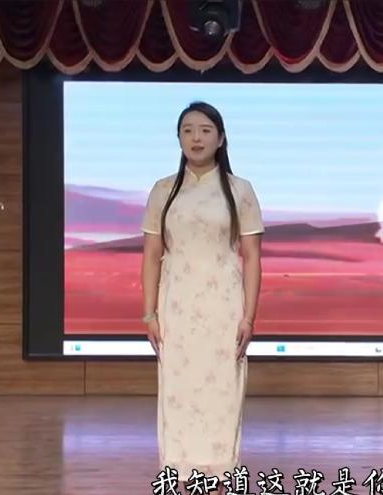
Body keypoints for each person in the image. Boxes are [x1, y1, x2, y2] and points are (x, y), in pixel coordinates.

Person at [140, 101, 264, 493]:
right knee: (178, 394)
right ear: (178, 138)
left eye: (206, 130)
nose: (196, 138)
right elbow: (151, 255)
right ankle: (180, 479)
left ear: (221, 139)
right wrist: (149, 314)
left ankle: (219, 481)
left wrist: (248, 317)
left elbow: (252, 258)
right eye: (188, 130)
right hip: (176, 307)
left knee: (221, 395)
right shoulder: (163, 190)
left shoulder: (240, 190)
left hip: (223, 307)